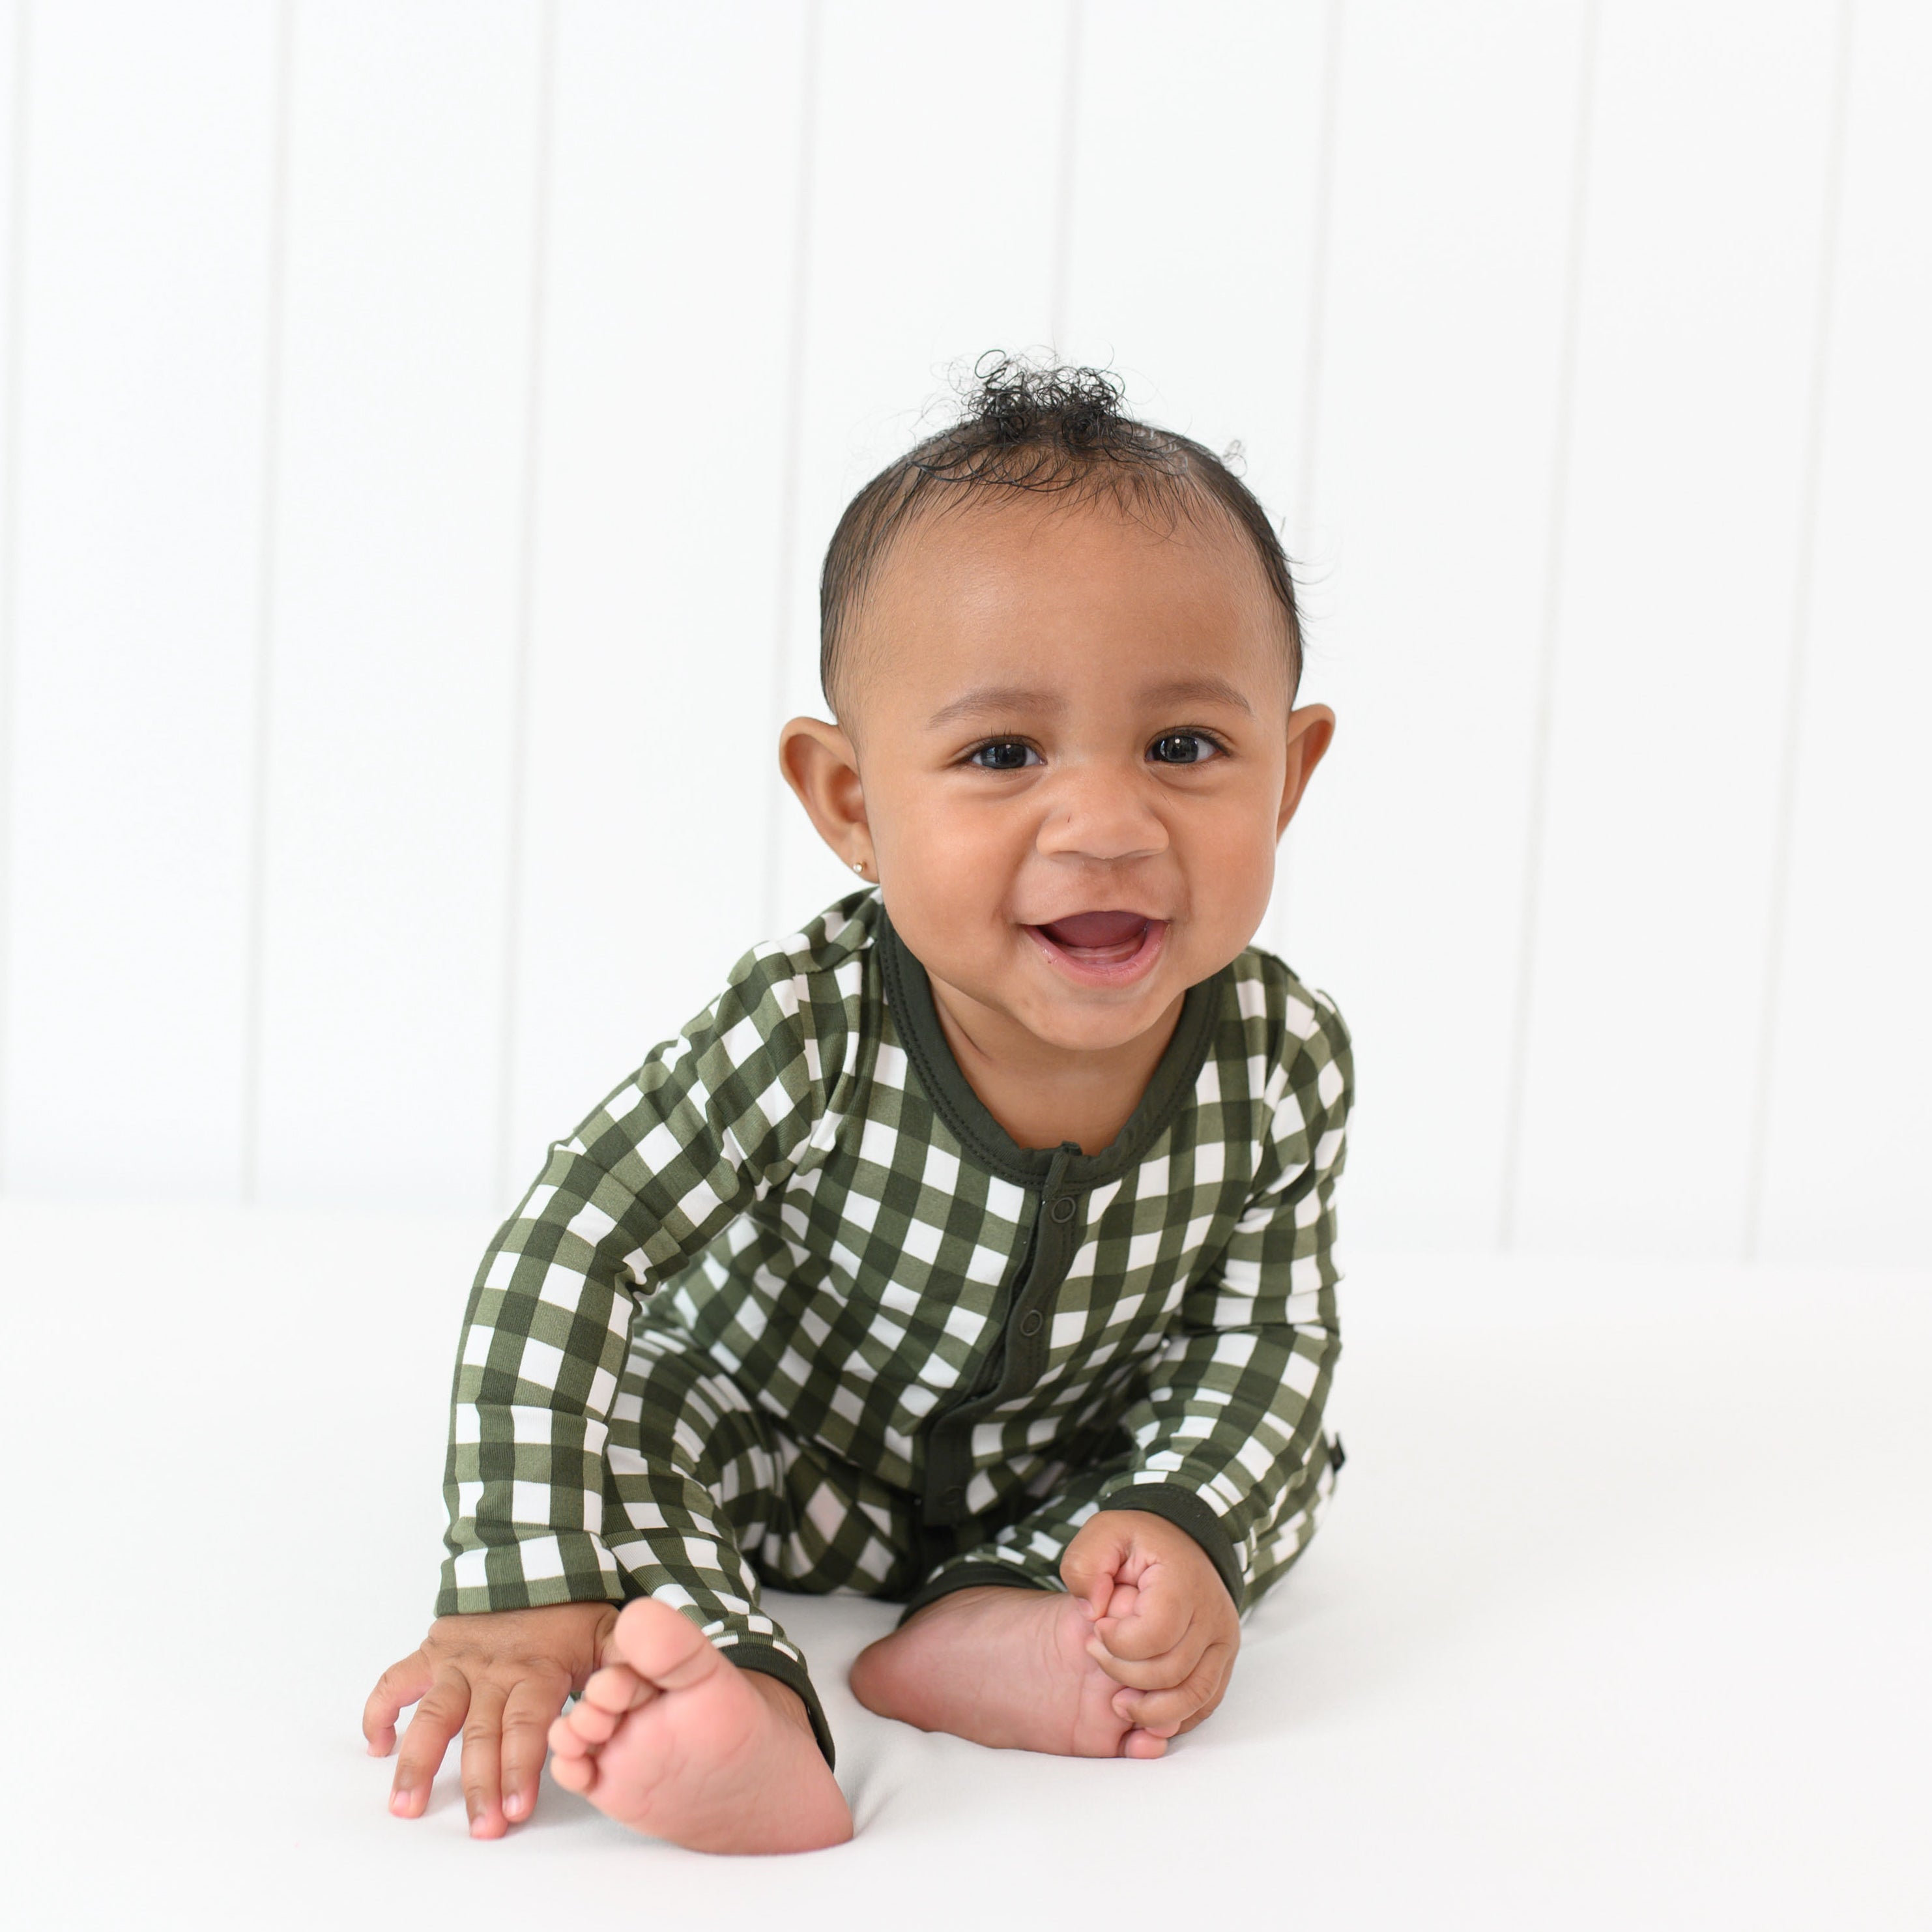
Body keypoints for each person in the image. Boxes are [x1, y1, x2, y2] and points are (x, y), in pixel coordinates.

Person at [362, 356, 1351, 1854]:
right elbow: (574, 1246)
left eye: (1185, 746)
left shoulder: (1281, 1056)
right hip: (776, 1450)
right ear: (850, 805)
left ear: (1286, 775)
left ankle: (1017, 1624)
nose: (1103, 822)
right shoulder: (812, 1026)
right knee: (630, 1426)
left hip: (1053, 1474)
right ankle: (737, 1703)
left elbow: (1263, 1338)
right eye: (1003, 754)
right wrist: (518, 1575)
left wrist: (1187, 1525)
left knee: (1269, 1460)